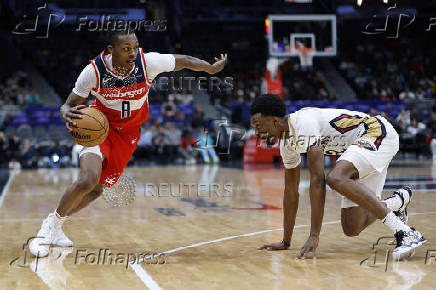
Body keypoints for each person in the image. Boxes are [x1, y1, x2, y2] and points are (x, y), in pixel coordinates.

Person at [29, 30, 227, 257]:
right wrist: (66, 113)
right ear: (110, 50)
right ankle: (47, 230)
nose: (133, 53)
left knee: (97, 190)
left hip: (129, 135)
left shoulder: (147, 63)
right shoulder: (93, 71)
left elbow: (183, 61)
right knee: (88, 179)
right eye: (126, 49)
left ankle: (57, 225)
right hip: (100, 128)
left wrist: (210, 68)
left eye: (135, 47)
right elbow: (69, 103)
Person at [252, 94, 426, 260]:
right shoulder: (287, 145)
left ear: (275, 121)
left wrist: (314, 236)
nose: (256, 132)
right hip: (359, 150)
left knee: (335, 178)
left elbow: (317, 182)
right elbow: (291, 191)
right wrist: (286, 240)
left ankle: (405, 232)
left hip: (376, 133)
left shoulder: (303, 123)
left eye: (258, 126)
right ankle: (398, 201)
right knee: (351, 227)